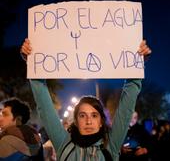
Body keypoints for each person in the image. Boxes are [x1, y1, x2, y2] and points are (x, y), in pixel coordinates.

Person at [21, 38, 151, 161]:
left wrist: (137, 64)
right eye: (82, 116)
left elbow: (126, 106)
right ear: (76, 121)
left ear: (101, 121)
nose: (88, 121)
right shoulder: (63, 143)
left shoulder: (111, 145)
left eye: (94, 115)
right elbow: (44, 106)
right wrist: (33, 62)